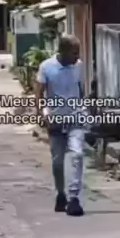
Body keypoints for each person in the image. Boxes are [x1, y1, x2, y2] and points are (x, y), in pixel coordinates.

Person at [36, 35, 86, 217]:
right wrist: (41, 114)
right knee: (57, 162)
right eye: (74, 52)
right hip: (55, 119)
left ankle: (74, 198)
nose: (77, 56)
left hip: (76, 118)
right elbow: (39, 93)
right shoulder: (46, 67)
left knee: (77, 154)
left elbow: (80, 89)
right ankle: (60, 194)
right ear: (63, 51)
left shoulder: (78, 66)